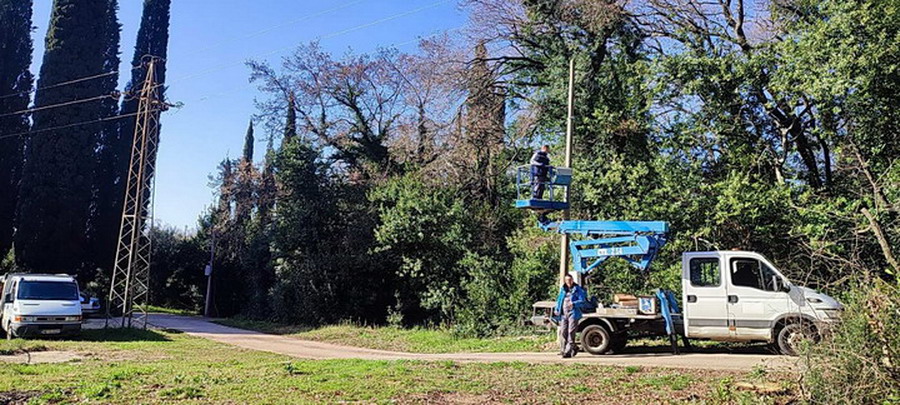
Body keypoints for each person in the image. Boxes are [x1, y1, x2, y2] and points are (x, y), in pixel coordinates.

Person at [555, 273, 586, 358]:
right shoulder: (563, 289)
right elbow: (559, 300)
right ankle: (572, 347)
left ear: (572, 280)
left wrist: (574, 304)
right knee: (563, 331)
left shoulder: (577, 289)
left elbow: (582, 301)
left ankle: (568, 352)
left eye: (570, 280)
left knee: (571, 332)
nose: (568, 281)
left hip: (573, 313)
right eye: (567, 280)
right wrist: (557, 309)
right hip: (563, 314)